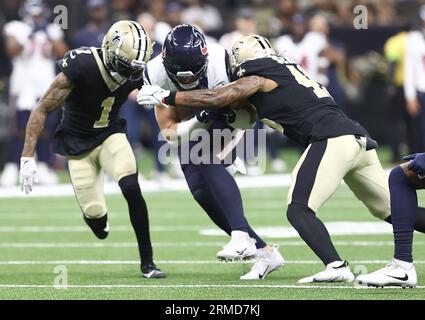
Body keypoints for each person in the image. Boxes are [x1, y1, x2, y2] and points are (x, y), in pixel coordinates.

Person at [137, 34, 425, 283]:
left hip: (331, 139)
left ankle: (335, 266)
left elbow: (219, 97)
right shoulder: (285, 68)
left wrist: (168, 97)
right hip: (357, 139)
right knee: (392, 209)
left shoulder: (259, 71)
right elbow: (238, 113)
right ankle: (390, 267)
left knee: (298, 208)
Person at [19, 20, 165, 279]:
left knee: (131, 187)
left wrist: (159, 96)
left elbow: (160, 87)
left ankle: (148, 263)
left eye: (136, 68)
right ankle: (96, 220)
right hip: (78, 146)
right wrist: (27, 156)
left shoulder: (135, 69)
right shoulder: (82, 65)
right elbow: (42, 107)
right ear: (109, 50)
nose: (131, 74)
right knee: (96, 219)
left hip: (110, 135)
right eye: (126, 66)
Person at [140, 25, 284, 280]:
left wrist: (216, 111)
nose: (186, 81)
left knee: (202, 155)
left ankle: (240, 235)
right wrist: (200, 117)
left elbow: (248, 118)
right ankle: (265, 252)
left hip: (230, 119)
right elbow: (170, 133)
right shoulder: (156, 72)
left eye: (192, 76)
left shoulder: (221, 62)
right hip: (191, 127)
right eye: (180, 78)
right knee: (200, 191)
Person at [1, 0, 68, 187]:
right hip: (23, 85)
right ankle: (13, 166)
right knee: (19, 128)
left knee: (45, 127)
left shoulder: (52, 29)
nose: (36, 18)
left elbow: (63, 54)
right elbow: (12, 51)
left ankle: (45, 165)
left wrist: (47, 33)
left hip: (45, 84)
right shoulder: (16, 28)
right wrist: (29, 35)